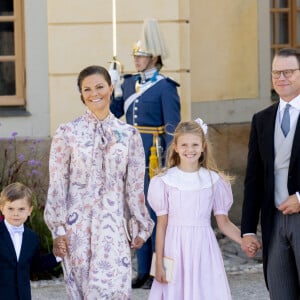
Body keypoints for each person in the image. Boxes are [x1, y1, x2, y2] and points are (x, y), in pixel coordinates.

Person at [44, 65, 154, 299]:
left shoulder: (129, 135)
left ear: (111, 88)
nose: (94, 93)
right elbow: (57, 183)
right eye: (87, 89)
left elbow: (135, 187)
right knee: (81, 292)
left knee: (112, 290)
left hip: (113, 227)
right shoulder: (67, 133)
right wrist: (58, 229)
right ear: (81, 95)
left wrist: (140, 226)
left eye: (100, 87)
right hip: (77, 228)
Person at [147, 119, 257, 300]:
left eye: (195, 144)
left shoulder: (215, 181)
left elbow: (224, 222)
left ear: (203, 146)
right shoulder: (164, 181)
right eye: (184, 145)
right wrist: (158, 262)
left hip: (203, 247)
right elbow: (161, 225)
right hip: (173, 248)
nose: (189, 149)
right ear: (175, 146)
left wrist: (243, 240)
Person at [110, 18, 181, 289]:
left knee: (154, 213)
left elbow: (173, 128)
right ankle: (142, 271)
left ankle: (156, 268)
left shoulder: (165, 87)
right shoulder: (129, 84)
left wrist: (170, 163)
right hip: (130, 155)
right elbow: (115, 113)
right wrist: (114, 86)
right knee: (135, 212)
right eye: (135, 56)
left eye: (141, 56)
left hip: (155, 155)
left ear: (154, 57)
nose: (136, 60)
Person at [241, 47, 300, 299]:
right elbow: (253, 178)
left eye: (288, 72)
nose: (281, 78)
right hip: (273, 221)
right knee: (280, 292)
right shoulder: (262, 119)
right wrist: (248, 230)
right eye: (276, 72)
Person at [0, 182, 59, 300]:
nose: (16, 213)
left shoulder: (32, 237)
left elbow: (35, 266)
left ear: (29, 210)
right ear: (2, 209)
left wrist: (56, 256)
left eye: (21, 209)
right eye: (10, 208)